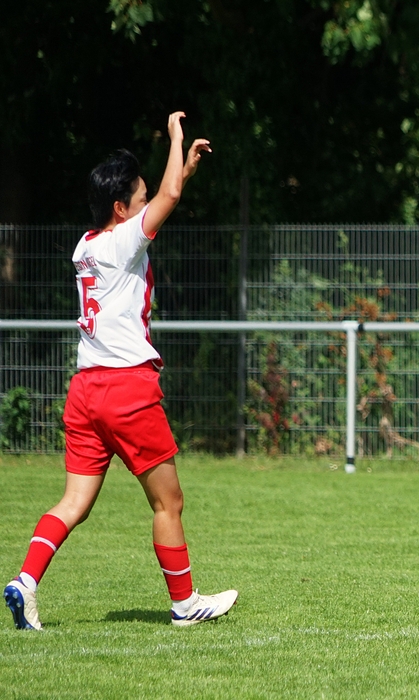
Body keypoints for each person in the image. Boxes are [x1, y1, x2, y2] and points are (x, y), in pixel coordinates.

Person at [3, 112, 238, 630]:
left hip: (85, 390)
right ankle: (184, 604)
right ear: (119, 208)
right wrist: (175, 139)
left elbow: (164, 197)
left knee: (73, 502)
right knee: (168, 502)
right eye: (140, 197)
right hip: (127, 388)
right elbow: (168, 198)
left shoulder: (85, 246)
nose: (148, 203)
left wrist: (184, 170)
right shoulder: (122, 241)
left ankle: (25, 582)